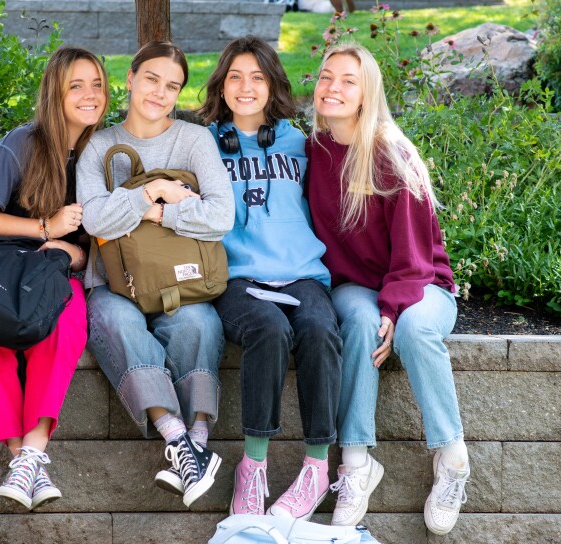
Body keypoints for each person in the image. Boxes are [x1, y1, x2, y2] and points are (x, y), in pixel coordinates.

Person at [307, 42, 469, 535]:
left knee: (417, 330)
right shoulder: (313, 151)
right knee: (357, 321)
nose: (333, 88)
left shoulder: (391, 154)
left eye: (348, 81)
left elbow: (416, 256)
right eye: (326, 77)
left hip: (422, 284)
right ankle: (356, 465)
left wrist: (394, 309)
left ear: (367, 93)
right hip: (355, 286)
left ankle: (453, 460)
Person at [0, 46, 109, 510]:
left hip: (50, 271)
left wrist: (72, 252)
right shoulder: (20, 144)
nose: (89, 94)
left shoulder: (104, 153)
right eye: (76, 85)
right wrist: (43, 228)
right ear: (54, 92)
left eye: (96, 84)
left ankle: (30, 453)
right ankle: (26, 459)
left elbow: (92, 245)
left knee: (67, 320)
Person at [76, 41, 234, 508]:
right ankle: (180, 439)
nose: (160, 93)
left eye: (172, 86)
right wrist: (159, 190)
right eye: (151, 79)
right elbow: (94, 220)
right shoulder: (100, 146)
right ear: (130, 77)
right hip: (114, 284)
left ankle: (195, 446)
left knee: (200, 323)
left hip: (182, 282)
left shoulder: (194, 140)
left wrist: (155, 216)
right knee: (117, 322)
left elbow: (221, 216)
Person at [196, 36, 342, 520]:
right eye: (235, 75)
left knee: (321, 331)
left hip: (301, 274)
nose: (245, 86)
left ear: (272, 84)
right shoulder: (202, 144)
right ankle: (252, 468)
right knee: (269, 330)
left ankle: (316, 469)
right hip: (237, 276)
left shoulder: (299, 143)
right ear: (221, 83)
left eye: (257, 76)